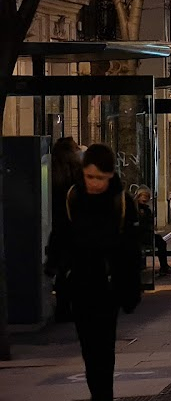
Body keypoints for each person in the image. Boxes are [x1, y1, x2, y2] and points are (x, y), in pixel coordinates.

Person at [45, 143, 142, 401]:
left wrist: (131, 288)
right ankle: (98, 395)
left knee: (104, 343)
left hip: (108, 284)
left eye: (101, 178)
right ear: (83, 173)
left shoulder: (122, 202)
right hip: (80, 281)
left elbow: (131, 250)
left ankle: (100, 399)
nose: (95, 183)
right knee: (88, 344)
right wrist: (55, 265)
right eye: (90, 176)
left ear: (111, 176)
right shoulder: (73, 197)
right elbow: (61, 234)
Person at [49, 137, 84, 322]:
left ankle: (62, 308)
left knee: (63, 269)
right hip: (74, 227)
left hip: (57, 227)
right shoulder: (76, 173)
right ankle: (70, 306)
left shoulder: (53, 171)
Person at [133, 186, 171, 277]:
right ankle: (164, 267)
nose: (145, 198)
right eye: (143, 195)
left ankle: (164, 267)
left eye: (147, 196)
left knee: (160, 241)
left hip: (143, 234)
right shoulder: (137, 209)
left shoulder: (145, 209)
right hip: (140, 234)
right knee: (160, 242)